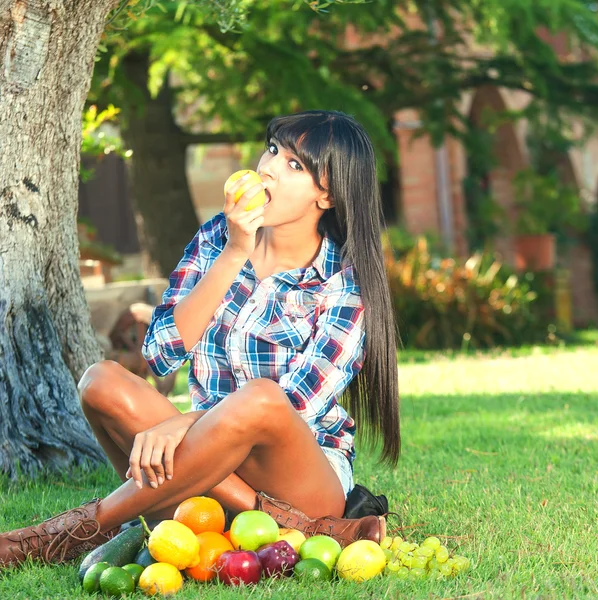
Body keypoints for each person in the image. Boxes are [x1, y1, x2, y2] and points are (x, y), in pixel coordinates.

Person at [0, 110, 400, 568]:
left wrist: (185, 421)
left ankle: (67, 533)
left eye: (294, 165)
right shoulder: (217, 238)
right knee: (100, 382)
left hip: (301, 475)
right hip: (205, 466)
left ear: (326, 195)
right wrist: (234, 252)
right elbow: (161, 353)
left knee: (261, 398)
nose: (268, 167)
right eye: (272, 150)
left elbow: (291, 406)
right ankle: (299, 532)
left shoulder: (343, 286)